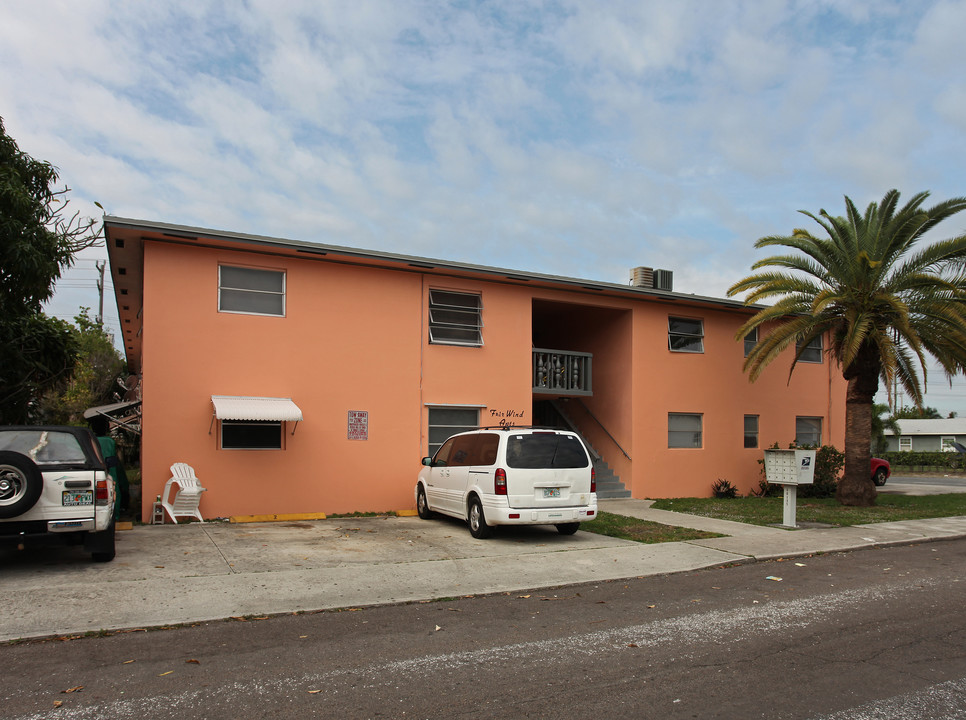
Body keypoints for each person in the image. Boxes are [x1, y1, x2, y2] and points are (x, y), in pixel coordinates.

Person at [89, 416, 130, 518]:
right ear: (106, 427)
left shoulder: (89, 440)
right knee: (115, 491)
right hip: (110, 470)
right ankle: (116, 514)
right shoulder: (108, 442)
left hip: (93, 470)